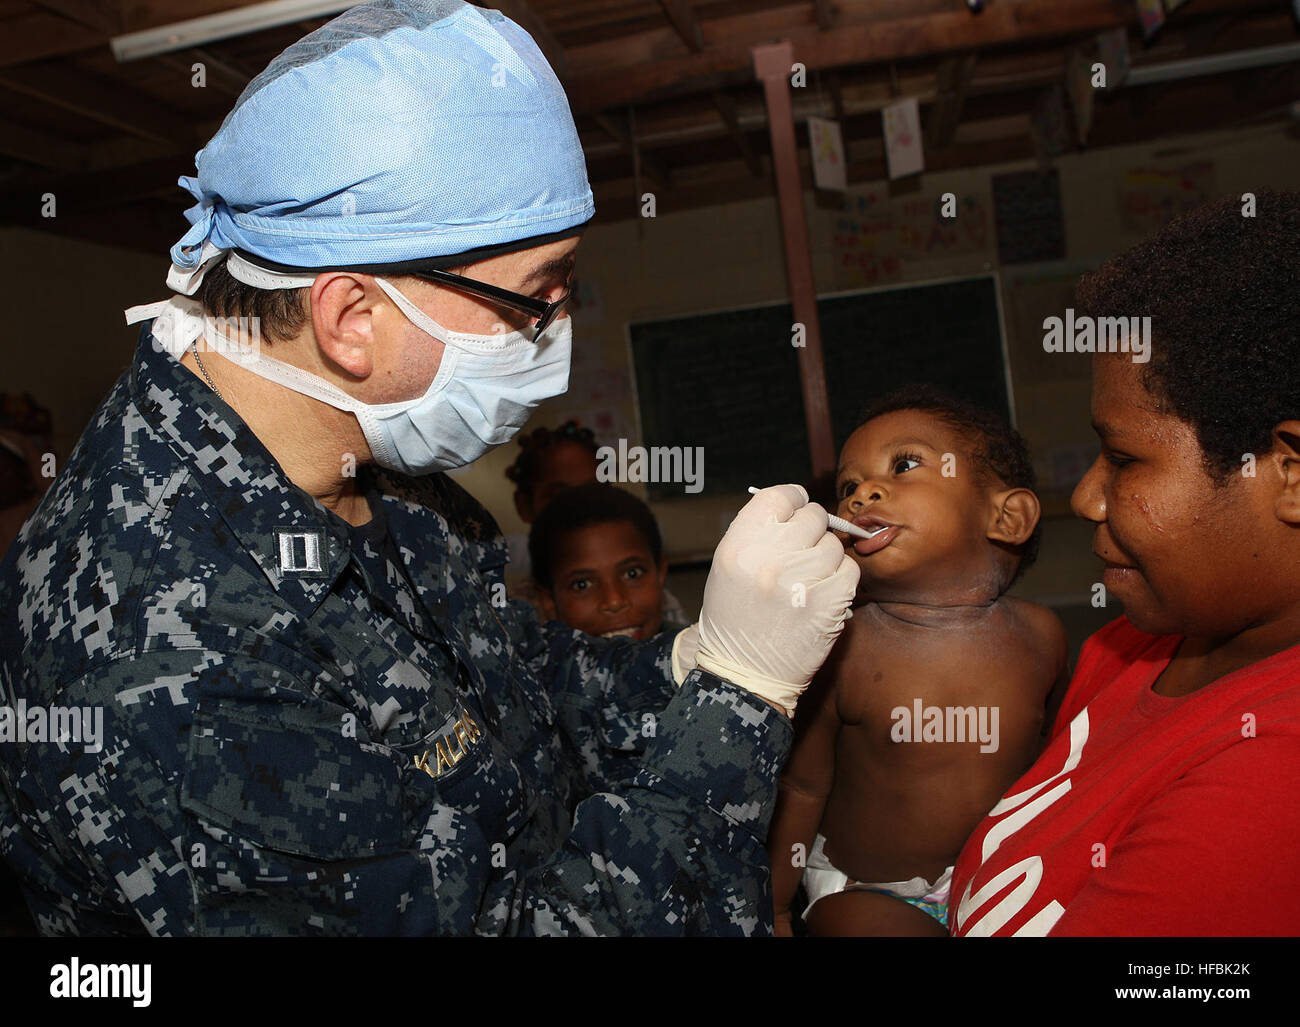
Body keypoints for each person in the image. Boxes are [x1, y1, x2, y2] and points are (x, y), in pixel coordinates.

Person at [0, 0, 858, 936]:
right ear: (353, 319)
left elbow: (502, 674)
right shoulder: (169, 653)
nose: (558, 323)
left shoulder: (368, 446)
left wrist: (691, 665)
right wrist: (737, 704)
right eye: (537, 293)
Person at [950, 191, 1300, 936]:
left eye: (1123, 458)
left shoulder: (1276, 777)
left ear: (1290, 473)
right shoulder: (1136, 640)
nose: (1085, 497)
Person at [768, 387, 1067, 936]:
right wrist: (778, 908)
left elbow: (1056, 761)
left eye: (904, 465)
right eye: (848, 487)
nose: (861, 496)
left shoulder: (1042, 638)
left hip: (1002, 878)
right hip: (868, 891)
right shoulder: (843, 647)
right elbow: (803, 787)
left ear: (1008, 516)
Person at [504, 420, 689, 625]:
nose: (581, 506)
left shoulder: (660, 604)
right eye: (581, 585)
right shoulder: (514, 616)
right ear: (524, 506)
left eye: (593, 489)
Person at [528, 481, 677, 640]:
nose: (614, 601)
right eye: (582, 584)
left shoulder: (696, 656)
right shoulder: (531, 663)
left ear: (660, 573)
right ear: (548, 602)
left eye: (632, 573)